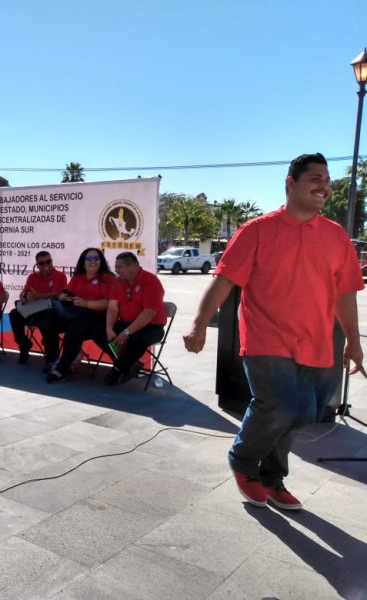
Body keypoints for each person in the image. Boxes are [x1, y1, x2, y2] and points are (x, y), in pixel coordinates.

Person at [184, 152, 365, 511]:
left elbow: (345, 293)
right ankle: (243, 460)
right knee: (279, 404)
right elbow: (224, 281)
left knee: (301, 412)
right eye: (315, 178)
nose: (324, 186)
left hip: (315, 341)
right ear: (290, 183)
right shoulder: (257, 230)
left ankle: (272, 477)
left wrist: (353, 342)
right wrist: (199, 324)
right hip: (266, 337)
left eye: (326, 180)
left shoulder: (335, 236)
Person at [46, 247, 115, 383]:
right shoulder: (78, 277)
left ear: (101, 261)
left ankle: (61, 369)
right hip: (76, 312)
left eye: (96, 258)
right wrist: (64, 297)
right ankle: (51, 360)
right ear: (83, 262)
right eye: (88, 259)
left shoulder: (108, 278)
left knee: (74, 330)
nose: (92, 262)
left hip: (98, 316)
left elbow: (110, 303)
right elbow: (62, 295)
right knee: (48, 321)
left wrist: (87, 303)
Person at [104, 251, 167, 385]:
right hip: (126, 323)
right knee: (98, 330)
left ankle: (118, 369)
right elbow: (113, 307)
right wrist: (109, 328)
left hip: (151, 327)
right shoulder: (117, 282)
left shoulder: (150, 281)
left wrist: (127, 332)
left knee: (136, 339)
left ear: (132, 267)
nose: (116, 270)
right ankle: (130, 364)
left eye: (119, 267)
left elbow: (149, 313)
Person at [9, 250, 68, 367]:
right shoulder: (32, 276)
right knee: (14, 314)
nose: (46, 265)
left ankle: (51, 359)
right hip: (34, 310)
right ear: (37, 265)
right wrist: (24, 296)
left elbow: (57, 294)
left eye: (48, 261)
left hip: (52, 313)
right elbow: (25, 291)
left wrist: (39, 296)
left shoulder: (60, 276)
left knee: (47, 320)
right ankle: (24, 344)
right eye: (42, 263)